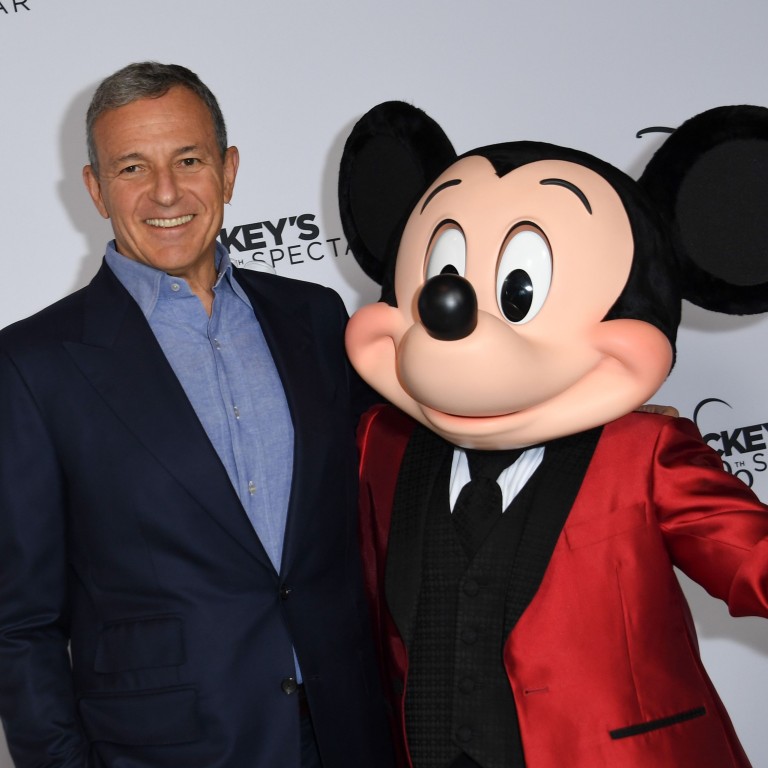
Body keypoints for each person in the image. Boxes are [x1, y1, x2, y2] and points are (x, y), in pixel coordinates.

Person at [0, 62, 393, 768]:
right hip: (168, 749)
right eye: (132, 168)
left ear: (228, 170)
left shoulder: (314, 317)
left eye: (189, 160)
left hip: (348, 730)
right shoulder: (33, 365)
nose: (166, 192)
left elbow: (388, 488)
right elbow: (20, 623)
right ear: (95, 188)